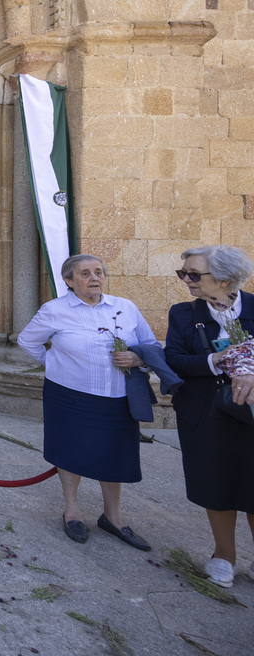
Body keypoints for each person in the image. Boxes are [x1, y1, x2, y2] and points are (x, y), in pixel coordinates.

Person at [17, 254, 157, 550]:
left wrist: (137, 358)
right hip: (69, 394)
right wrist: (54, 363)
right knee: (69, 450)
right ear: (68, 281)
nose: (94, 278)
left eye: (98, 272)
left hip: (117, 395)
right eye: (85, 273)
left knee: (115, 453)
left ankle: (113, 517)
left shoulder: (124, 307)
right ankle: (72, 510)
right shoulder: (55, 310)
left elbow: (151, 345)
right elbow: (27, 341)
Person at [164, 245, 254, 587]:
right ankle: (224, 556)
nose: (186, 280)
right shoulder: (183, 313)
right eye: (182, 273)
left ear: (226, 279)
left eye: (194, 274)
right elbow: (173, 358)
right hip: (205, 411)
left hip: (252, 411)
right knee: (216, 483)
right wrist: (215, 361)